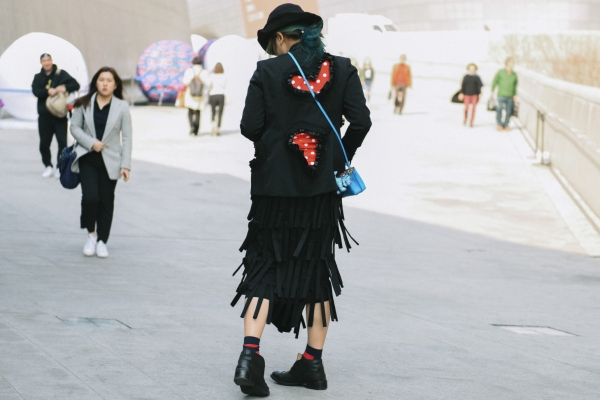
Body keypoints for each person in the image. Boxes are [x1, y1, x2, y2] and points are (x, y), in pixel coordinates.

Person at [232, 3, 371, 396]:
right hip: (319, 192)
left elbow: (249, 127)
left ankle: (249, 356)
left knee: (262, 266)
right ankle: (312, 363)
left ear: (279, 38)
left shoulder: (267, 71)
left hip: (273, 192)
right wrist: (336, 155)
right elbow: (361, 122)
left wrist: (277, 148)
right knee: (317, 270)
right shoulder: (342, 68)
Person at [69, 67, 132, 258]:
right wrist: (91, 143)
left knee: (106, 201)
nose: (105, 84)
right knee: (90, 198)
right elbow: (74, 127)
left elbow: (127, 137)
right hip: (87, 158)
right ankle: (91, 235)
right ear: (96, 82)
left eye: (109, 80)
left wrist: (125, 165)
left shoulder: (122, 107)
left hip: (111, 160)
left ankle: (102, 241)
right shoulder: (83, 103)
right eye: (101, 80)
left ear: (115, 85)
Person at [31, 53, 80, 178]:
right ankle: (48, 166)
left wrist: (64, 87)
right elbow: (35, 91)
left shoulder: (61, 74)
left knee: (62, 143)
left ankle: (60, 167)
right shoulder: (38, 77)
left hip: (60, 116)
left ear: (52, 61)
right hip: (44, 116)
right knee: (44, 143)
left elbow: (76, 85)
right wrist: (47, 91)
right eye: (44, 60)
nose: (47, 63)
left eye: (48, 60)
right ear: (41, 62)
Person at [182, 57, 208, 136]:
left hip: (190, 94)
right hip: (200, 95)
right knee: (197, 112)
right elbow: (208, 83)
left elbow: (185, 82)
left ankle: (192, 126)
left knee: (190, 111)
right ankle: (196, 130)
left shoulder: (189, 71)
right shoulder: (204, 71)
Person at [492, 57, 518, 131]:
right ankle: (499, 124)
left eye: (513, 64)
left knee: (508, 111)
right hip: (501, 94)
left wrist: (515, 94)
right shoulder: (500, 72)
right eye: (510, 64)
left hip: (510, 96)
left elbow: (515, 85)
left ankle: (506, 125)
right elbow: (495, 81)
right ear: (506, 64)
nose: (512, 66)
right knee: (499, 109)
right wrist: (492, 91)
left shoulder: (514, 74)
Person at [458, 63, 484, 127]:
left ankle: (471, 122)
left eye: (473, 69)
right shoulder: (466, 77)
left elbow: (479, 86)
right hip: (467, 94)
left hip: (474, 95)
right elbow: (462, 86)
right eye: (470, 69)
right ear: (468, 69)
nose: (472, 70)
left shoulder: (477, 77)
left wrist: (480, 93)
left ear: (475, 69)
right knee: (466, 108)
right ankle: (465, 118)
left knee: (473, 108)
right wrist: (461, 93)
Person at [208, 62, 227, 136]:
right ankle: (218, 129)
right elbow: (224, 86)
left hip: (213, 94)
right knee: (220, 113)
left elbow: (209, 85)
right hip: (221, 95)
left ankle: (212, 126)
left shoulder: (212, 76)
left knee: (213, 111)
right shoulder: (224, 76)